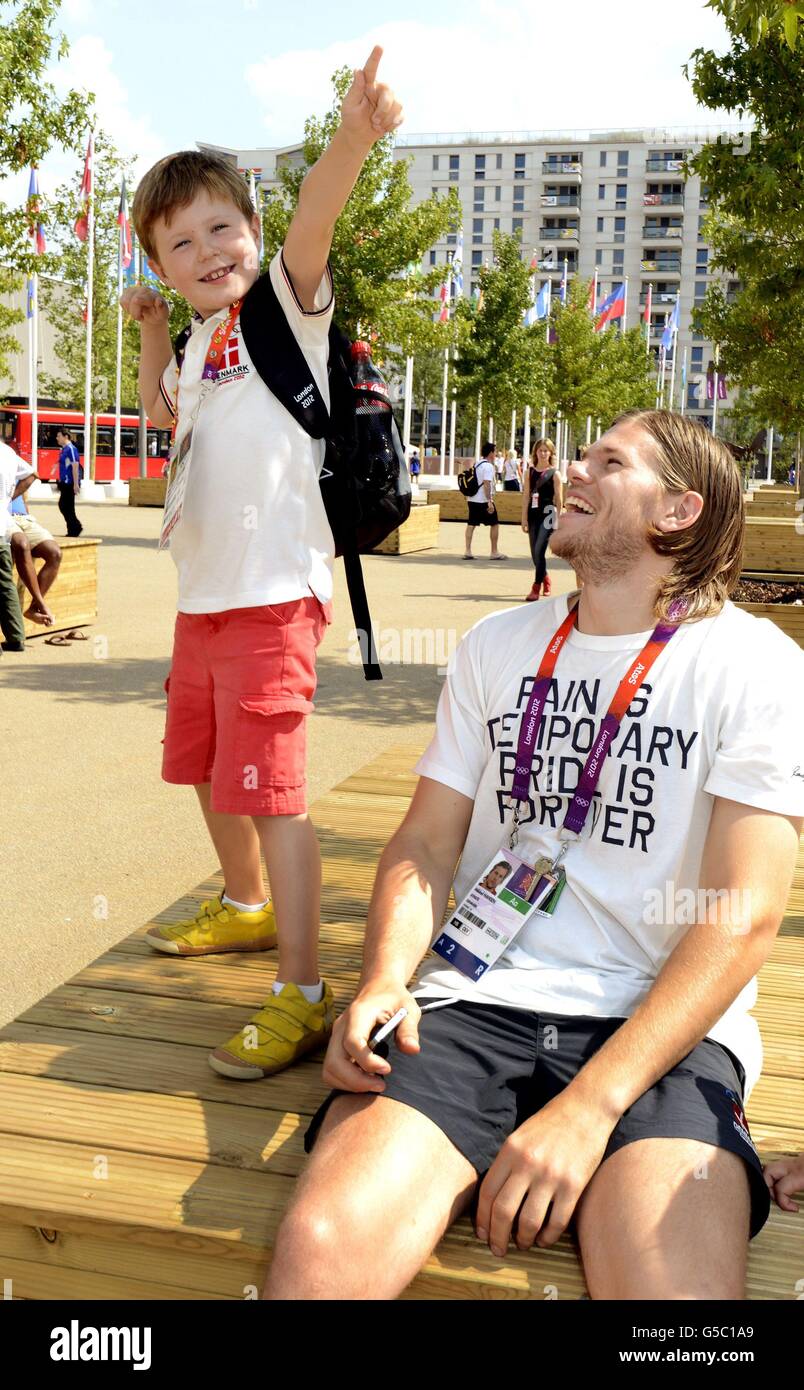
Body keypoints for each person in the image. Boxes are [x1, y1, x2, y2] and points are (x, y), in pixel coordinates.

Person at [265, 409, 804, 1301]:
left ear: (678, 510)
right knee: (321, 1249)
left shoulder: (755, 667)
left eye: (609, 461)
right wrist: (384, 979)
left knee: (679, 1302)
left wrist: (591, 1107)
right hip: (475, 1001)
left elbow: (744, 912)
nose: (573, 473)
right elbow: (425, 843)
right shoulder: (497, 646)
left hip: (662, 1029)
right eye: (578, 457)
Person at [122, 47, 403, 1081]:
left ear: (252, 231)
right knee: (203, 764)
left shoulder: (282, 311)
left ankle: (302, 986)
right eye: (180, 242)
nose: (206, 251)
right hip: (204, 600)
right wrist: (156, 337)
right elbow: (164, 415)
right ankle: (244, 907)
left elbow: (315, 221)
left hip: (274, 597)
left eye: (222, 228)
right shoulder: (201, 344)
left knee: (272, 788)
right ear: (160, 264)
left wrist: (351, 138)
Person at [7, 490, 62, 631]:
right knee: (21, 545)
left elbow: (24, 494)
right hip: (4, 518)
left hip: (23, 518)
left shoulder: (14, 468)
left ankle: (33, 609)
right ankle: (41, 603)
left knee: (54, 553)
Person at [521, 437, 562, 601]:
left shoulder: (555, 473)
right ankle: (546, 578)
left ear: (551, 453)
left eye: (546, 450)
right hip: (533, 515)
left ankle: (535, 587)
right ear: (535, 452)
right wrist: (523, 519)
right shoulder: (528, 472)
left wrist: (559, 520)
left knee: (539, 550)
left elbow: (559, 499)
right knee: (534, 555)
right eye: (540, 450)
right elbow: (525, 497)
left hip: (548, 514)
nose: (543, 453)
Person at [0, 441, 31, 653]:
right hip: (1, 524)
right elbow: (31, 474)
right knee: (5, 584)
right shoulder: (7, 452)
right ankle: (16, 637)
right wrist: (10, 498)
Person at [464, 441, 506, 561]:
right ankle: (494, 551)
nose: (496, 454)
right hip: (483, 500)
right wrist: (489, 500)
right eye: (495, 452)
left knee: (471, 524)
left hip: (472, 499)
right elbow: (487, 484)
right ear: (491, 453)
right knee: (494, 524)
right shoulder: (488, 466)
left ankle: (468, 550)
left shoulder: (477, 464)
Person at [55, 429, 83, 537]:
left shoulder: (71, 449)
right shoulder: (64, 449)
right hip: (64, 482)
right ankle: (73, 528)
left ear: (65, 436)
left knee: (66, 506)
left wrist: (76, 484)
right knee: (64, 506)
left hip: (70, 482)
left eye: (59, 436)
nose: (57, 438)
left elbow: (75, 466)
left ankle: (75, 528)